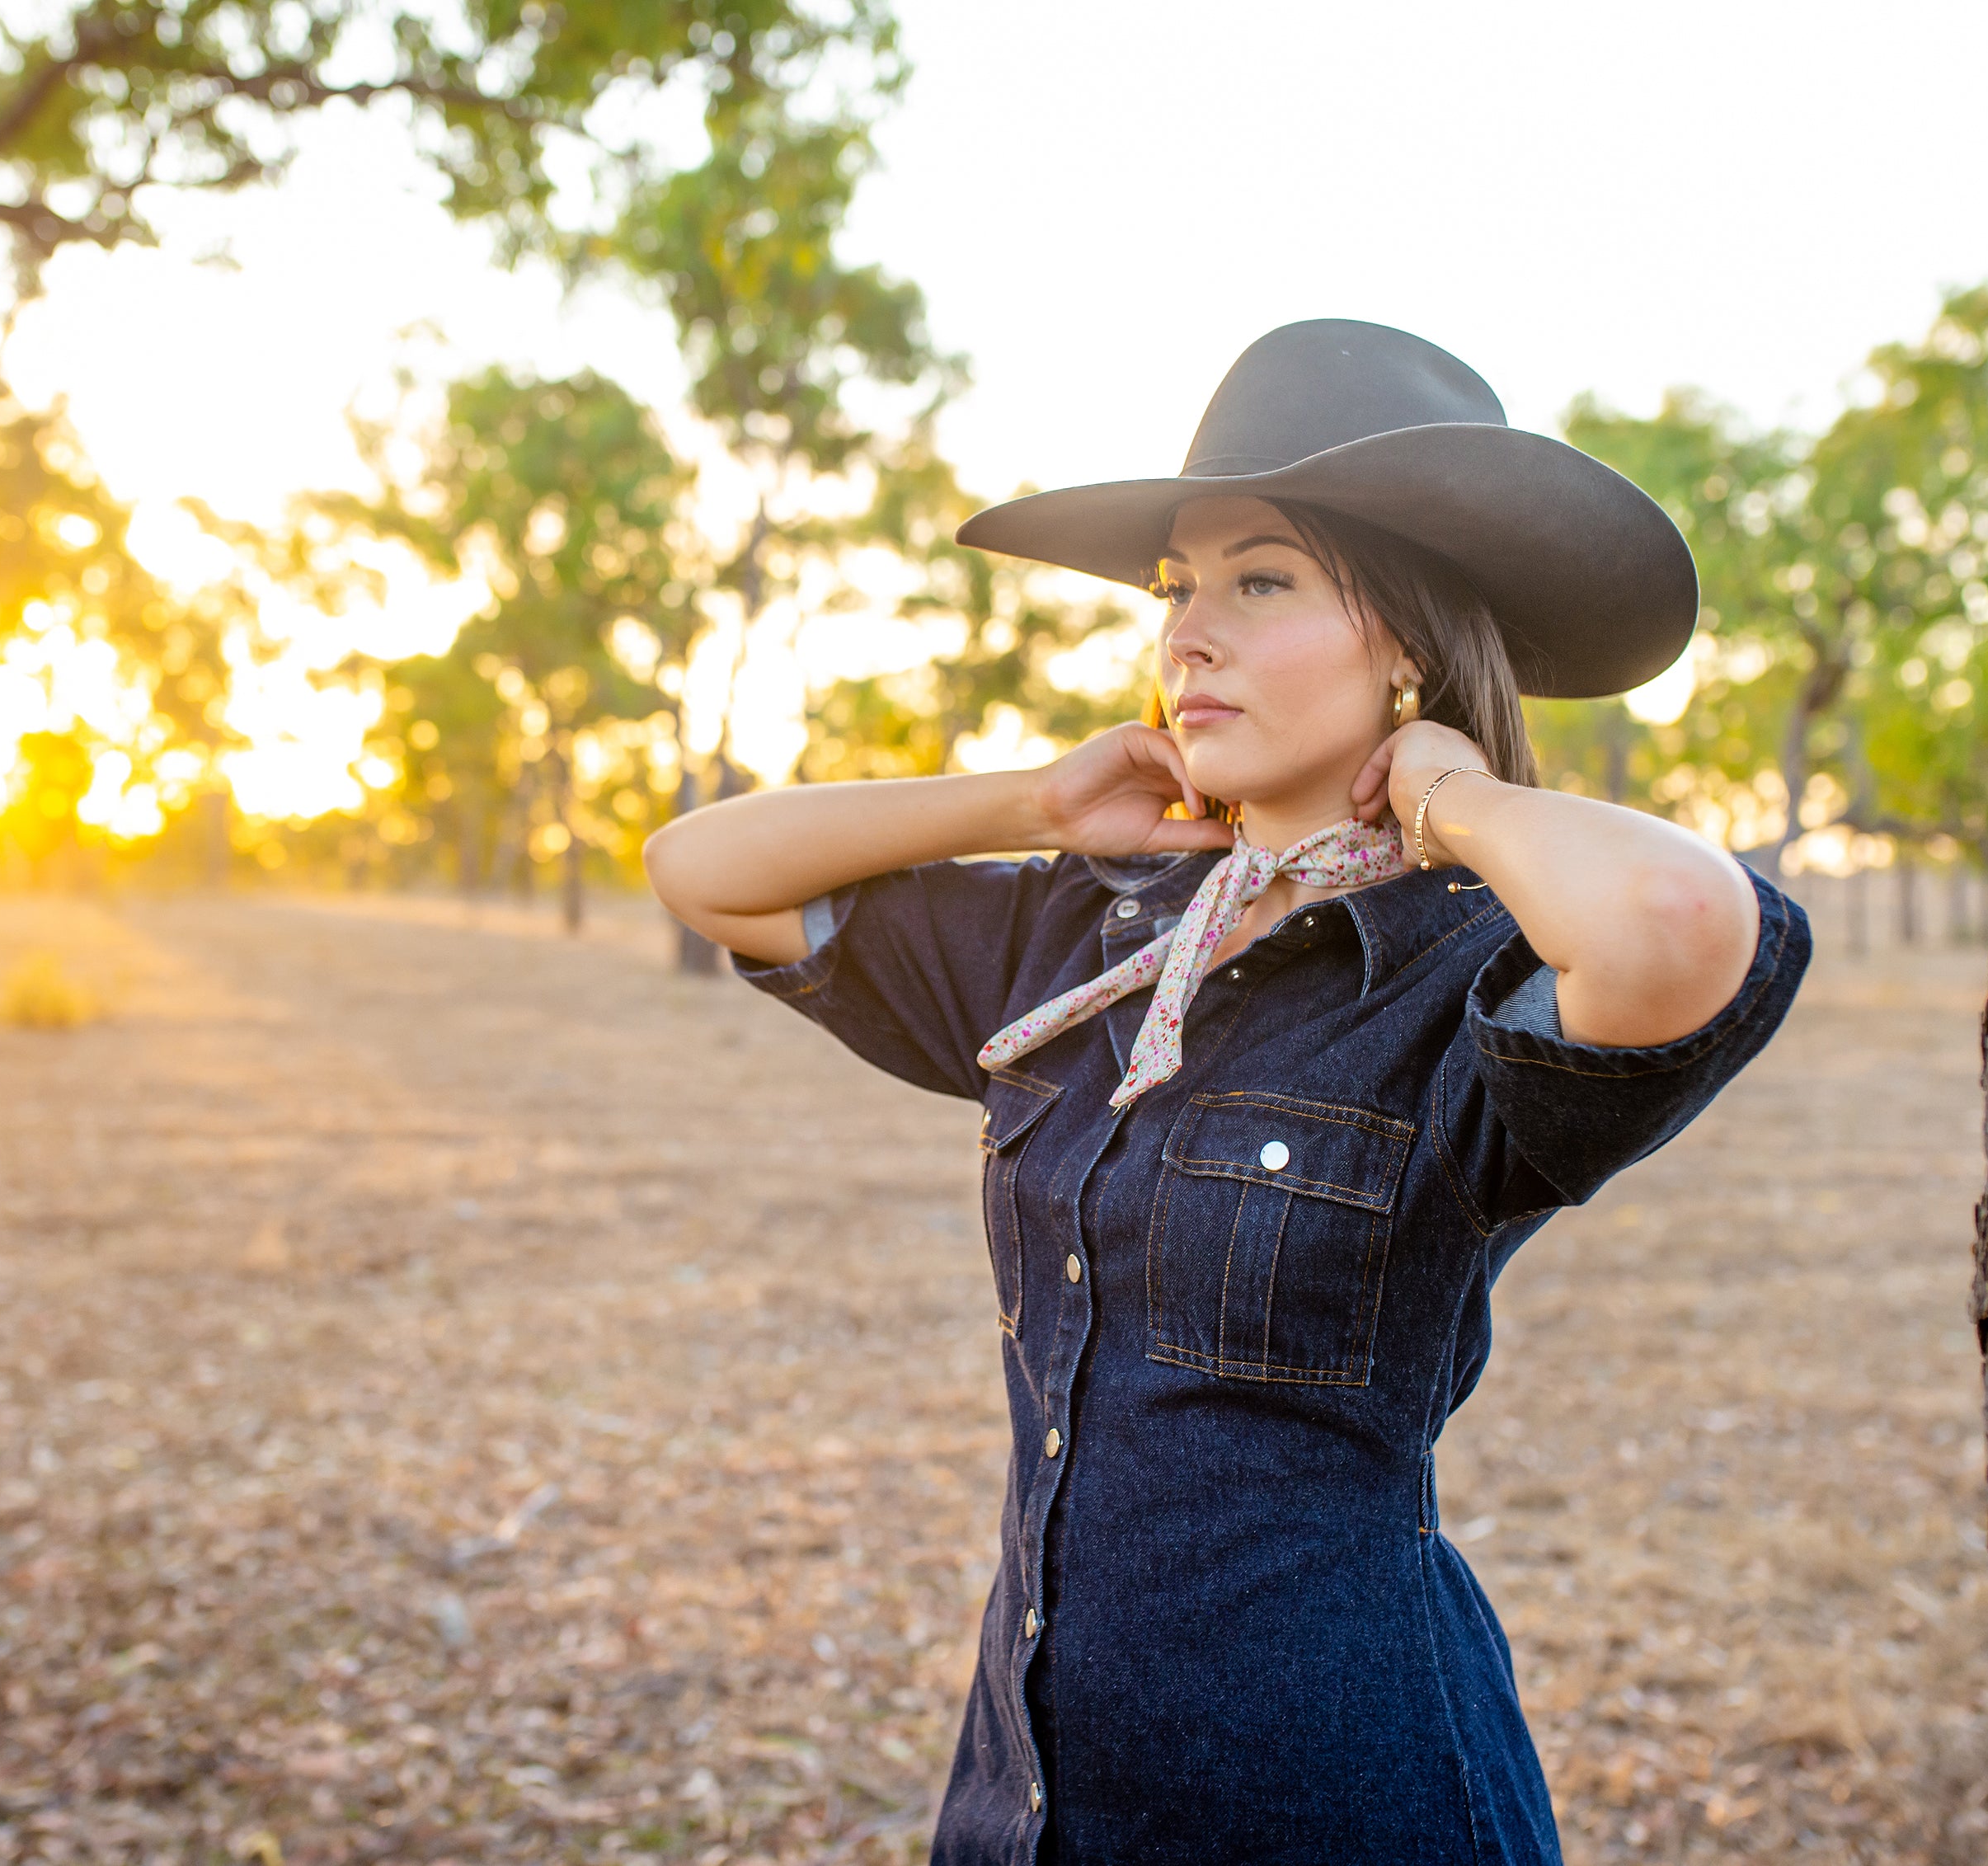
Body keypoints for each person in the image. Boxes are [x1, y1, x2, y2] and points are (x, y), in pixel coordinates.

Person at [644, 320, 1812, 1865]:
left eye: (1258, 580)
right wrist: (1030, 801)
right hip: (1032, 1797)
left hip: (1338, 1798)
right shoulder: (1093, 928)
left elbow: (1679, 925)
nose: (1187, 633)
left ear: (1404, 636)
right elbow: (703, 871)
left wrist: (1449, 798)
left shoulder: (1465, 971)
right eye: (1176, 589)